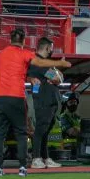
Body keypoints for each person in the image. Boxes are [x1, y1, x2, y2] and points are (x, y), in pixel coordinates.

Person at [0, 28, 70, 177]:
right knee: (21, 133)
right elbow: (42, 65)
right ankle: (23, 167)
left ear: (10, 39)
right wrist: (59, 63)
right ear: (23, 41)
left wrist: (37, 77)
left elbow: (54, 76)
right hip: (17, 96)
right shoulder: (26, 54)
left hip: (0, 97)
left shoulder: (2, 54)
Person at [29, 37, 64, 170]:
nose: (52, 50)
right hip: (43, 100)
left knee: (45, 131)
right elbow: (56, 77)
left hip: (50, 100)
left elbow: (59, 77)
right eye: (51, 48)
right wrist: (56, 76)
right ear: (47, 48)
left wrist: (56, 76)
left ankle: (45, 157)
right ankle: (36, 158)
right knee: (40, 129)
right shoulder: (38, 62)